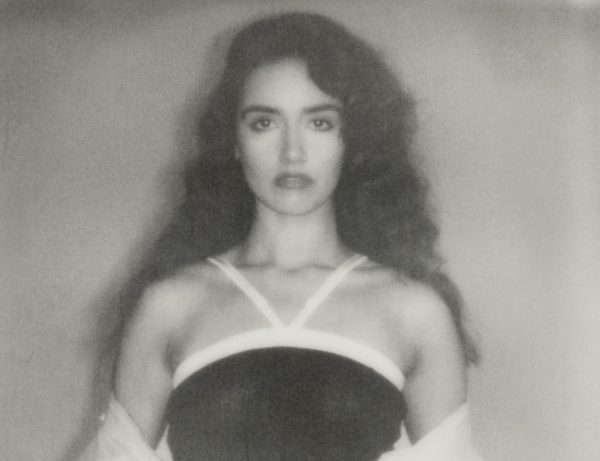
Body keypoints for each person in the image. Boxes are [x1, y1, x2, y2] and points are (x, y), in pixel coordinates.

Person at [80, 11, 482, 461]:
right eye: (264, 123)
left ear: (353, 140)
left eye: (320, 122)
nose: (292, 152)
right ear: (233, 141)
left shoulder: (414, 310)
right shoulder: (170, 305)